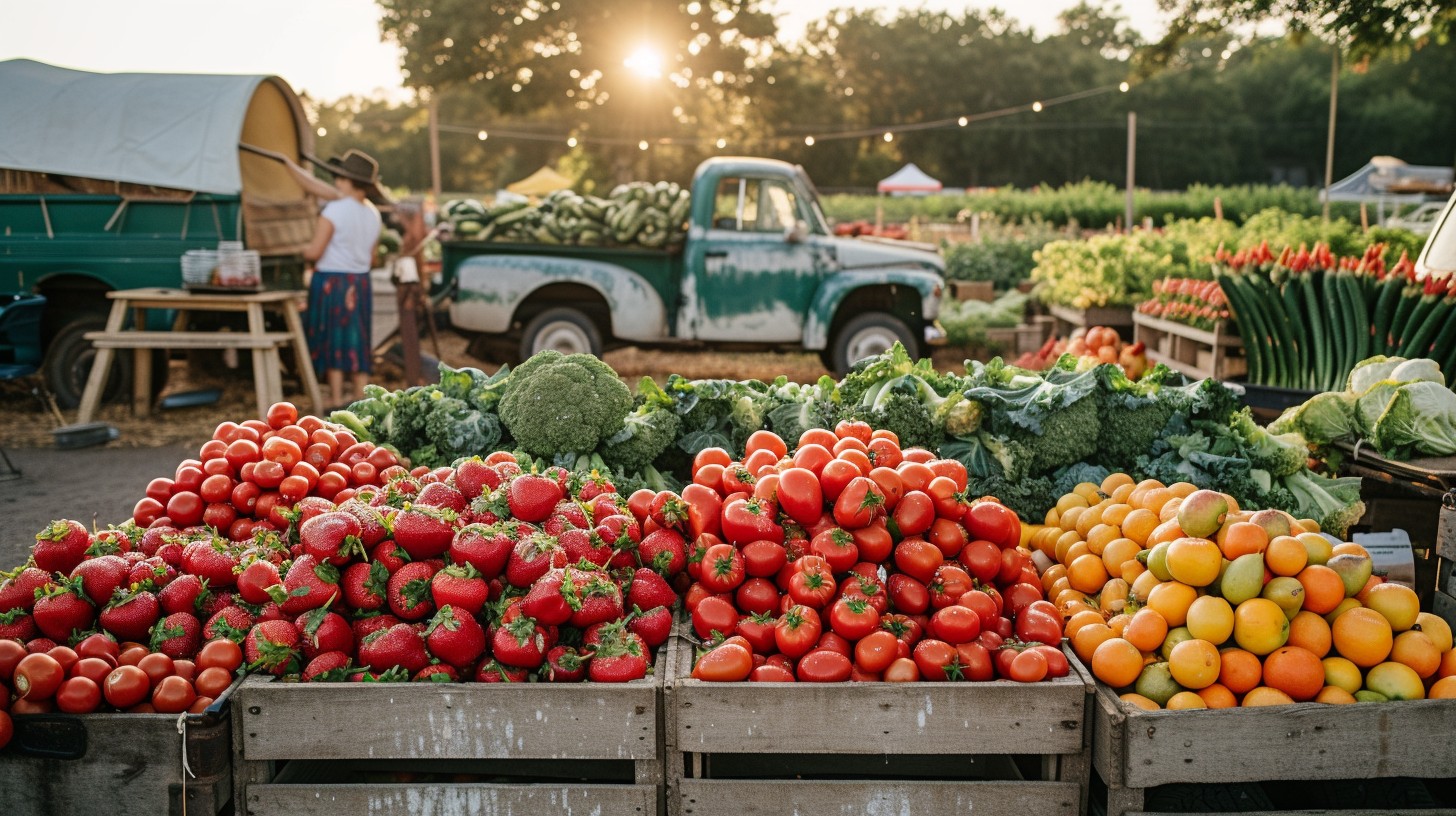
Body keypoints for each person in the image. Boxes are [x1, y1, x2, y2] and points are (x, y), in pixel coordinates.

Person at [287, 150, 386, 408]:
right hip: (360, 282)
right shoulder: (373, 213)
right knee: (358, 337)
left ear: (346, 181)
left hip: (333, 282)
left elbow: (314, 252)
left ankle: (336, 396)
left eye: (339, 177)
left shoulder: (335, 210)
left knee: (333, 337)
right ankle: (360, 394)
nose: (335, 182)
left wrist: (297, 250)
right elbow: (373, 256)